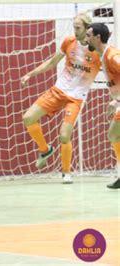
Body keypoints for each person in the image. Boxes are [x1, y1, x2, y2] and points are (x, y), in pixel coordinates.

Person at [20, 13, 101, 184]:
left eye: (78, 27)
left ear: (88, 29)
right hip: (58, 90)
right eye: (74, 27)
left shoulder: (99, 51)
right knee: (28, 118)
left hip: (76, 98)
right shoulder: (69, 42)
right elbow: (52, 63)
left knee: (64, 135)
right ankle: (44, 150)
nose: (75, 30)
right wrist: (30, 74)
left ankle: (66, 172)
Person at [85, 23, 120, 189]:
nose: (86, 39)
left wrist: (117, 101)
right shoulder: (103, 55)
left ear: (97, 37)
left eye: (88, 35)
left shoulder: (112, 56)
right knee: (113, 134)